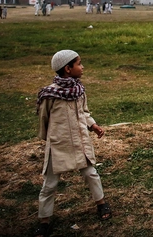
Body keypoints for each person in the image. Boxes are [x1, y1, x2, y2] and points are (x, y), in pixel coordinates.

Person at [33, 50, 111, 237]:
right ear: (68, 69)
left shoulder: (79, 90)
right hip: (58, 145)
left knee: (91, 174)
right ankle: (44, 221)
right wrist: (49, 139)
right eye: (79, 64)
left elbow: (84, 112)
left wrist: (93, 125)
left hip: (80, 143)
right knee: (50, 184)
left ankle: (101, 203)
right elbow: (44, 118)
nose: (82, 67)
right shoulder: (50, 94)